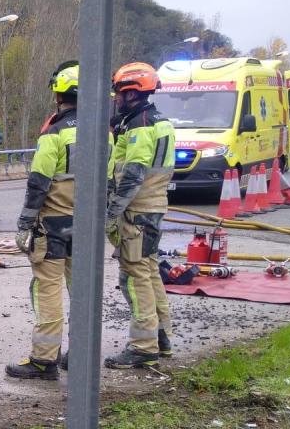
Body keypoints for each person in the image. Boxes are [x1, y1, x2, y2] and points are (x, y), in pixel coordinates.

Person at [6, 61, 86, 380]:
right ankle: (80, 353)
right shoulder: (103, 134)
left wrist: (25, 225)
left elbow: (38, 182)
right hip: (87, 226)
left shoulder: (54, 133)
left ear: (58, 96)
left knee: (48, 289)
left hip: (53, 226)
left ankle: (44, 359)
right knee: (82, 289)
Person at [104, 62, 176, 369]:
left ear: (132, 93)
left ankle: (143, 346)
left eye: (119, 93)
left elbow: (133, 175)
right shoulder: (159, 121)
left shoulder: (140, 125)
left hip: (138, 210)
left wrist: (111, 214)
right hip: (153, 207)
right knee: (148, 271)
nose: (116, 99)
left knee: (133, 276)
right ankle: (161, 336)